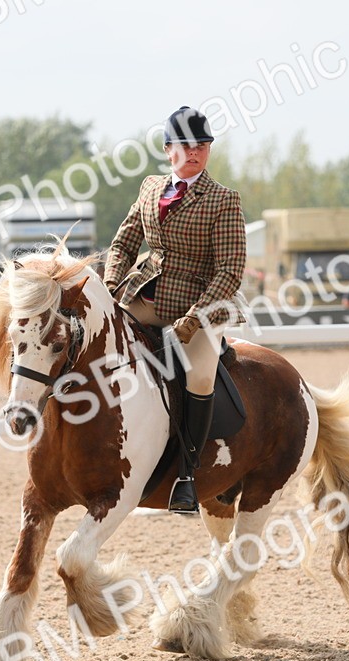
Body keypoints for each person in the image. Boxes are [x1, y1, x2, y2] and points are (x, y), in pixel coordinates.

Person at [103, 105, 246, 513]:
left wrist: (193, 320)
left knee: (199, 377)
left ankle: (187, 472)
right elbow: (123, 244)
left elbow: (230, 271)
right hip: (144, 297)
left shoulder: (223, 200)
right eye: (187, 146)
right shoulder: (149, 189)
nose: (196, 152)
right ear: (169, 150)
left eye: (203, 145)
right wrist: (112, 287)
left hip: (201, 305)